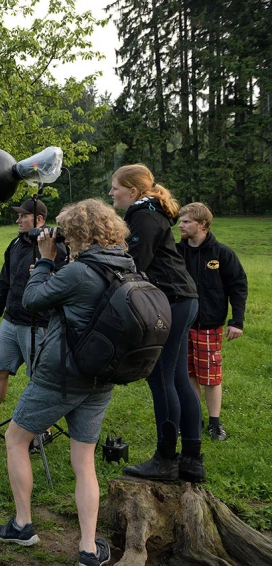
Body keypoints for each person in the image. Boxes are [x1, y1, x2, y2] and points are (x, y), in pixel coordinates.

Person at [0, 199, 128, 566]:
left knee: (16, 439)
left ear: (79, 233)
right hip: (101, 378)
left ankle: (23, 524)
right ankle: (87, 549)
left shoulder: (78, 272)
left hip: (61, 375)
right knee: (84, 461)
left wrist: (47, 262)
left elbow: (33, 300)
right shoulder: (124, 265)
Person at [109, 164, 205, 483]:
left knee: (161, 377)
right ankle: (192, 460)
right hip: (182, 299)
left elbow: (135, 262)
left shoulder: (143, 214)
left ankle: (166, 460)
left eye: (115, 187)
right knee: (176, 377)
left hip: (173, 301)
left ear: (133, 191)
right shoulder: (150, 210)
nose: (111, 193)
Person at [0, 199, 68, 452]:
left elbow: (65, 282)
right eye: (18, 216)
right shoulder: (14, 245)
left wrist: (49, 268)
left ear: (40, 220)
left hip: (40, 324)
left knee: (41, 378)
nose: (18, 220)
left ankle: (42, 431)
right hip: (11, 322)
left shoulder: (57, 246)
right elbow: (5, 280)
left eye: (23, 216)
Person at [177, 202, 248, 441]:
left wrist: (236, 321)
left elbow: (238, 287)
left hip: (208, 325)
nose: (181, 225)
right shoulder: (176, 252)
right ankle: (194, 418)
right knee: (189, 374)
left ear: (203, 224)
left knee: (210, 375)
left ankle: (215, 423)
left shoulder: (222, 254)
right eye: (181, 221)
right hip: (182, 324)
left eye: (186, 222)